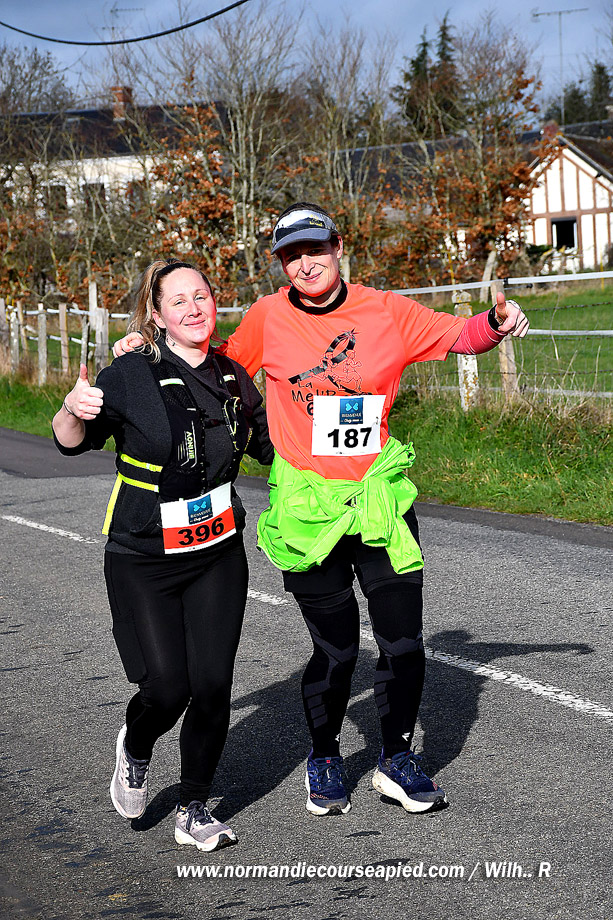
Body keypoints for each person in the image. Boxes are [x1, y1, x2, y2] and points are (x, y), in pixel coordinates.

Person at [114, 204, 529, 818]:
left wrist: (497, 321)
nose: (306, 264)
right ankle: (326, 757)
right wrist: (144, 353)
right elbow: (208, 363)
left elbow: (459, 336)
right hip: (308, 508)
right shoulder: (267, 316)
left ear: (338, 247)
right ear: (281, 264)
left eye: (315, 250)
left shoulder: (386, 311)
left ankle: (396, 759)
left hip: (377, 499)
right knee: (337, 651)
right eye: (291, 256)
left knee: (403, 643)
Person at [53, 259, 273, 851]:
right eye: (178, 301)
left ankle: (194, 807)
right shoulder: (131, 373)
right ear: (156, 315)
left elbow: (274, 447)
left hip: (217, 553)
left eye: (201, 296)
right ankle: (136, 745)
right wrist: (72, 408)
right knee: (167, 689)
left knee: (213, 685)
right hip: (144, 556)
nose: (194, 308)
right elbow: (70, 441)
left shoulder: (233, 377)